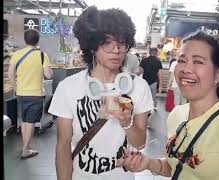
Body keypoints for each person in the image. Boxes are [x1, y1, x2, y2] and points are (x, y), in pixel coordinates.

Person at [118, 31, 219, 180]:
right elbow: (176, 167)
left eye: (198, 62)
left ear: (218, 74)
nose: (186, 69)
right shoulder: (177, 114)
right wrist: (147, 162)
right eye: (182, 60)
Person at [48, 6, 154, 180]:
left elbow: (140, 143)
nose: (117, 50)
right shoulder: (68, 87)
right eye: (107, 43)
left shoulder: (138, 87)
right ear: (92, 46)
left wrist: (126, 122)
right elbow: (63, 146)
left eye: (122, 43)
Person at [8, 29, 53, 159]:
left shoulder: (16, 54)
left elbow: (10, 74)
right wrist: (50, 72)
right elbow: (48, 75)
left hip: (21, 94)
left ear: (25, 40)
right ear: (37, 40)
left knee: (24, 121)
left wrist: (16, 87)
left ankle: (25, 147)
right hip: (36, 94)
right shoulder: (42, 55)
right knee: (31, 122)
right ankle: (25, 149)